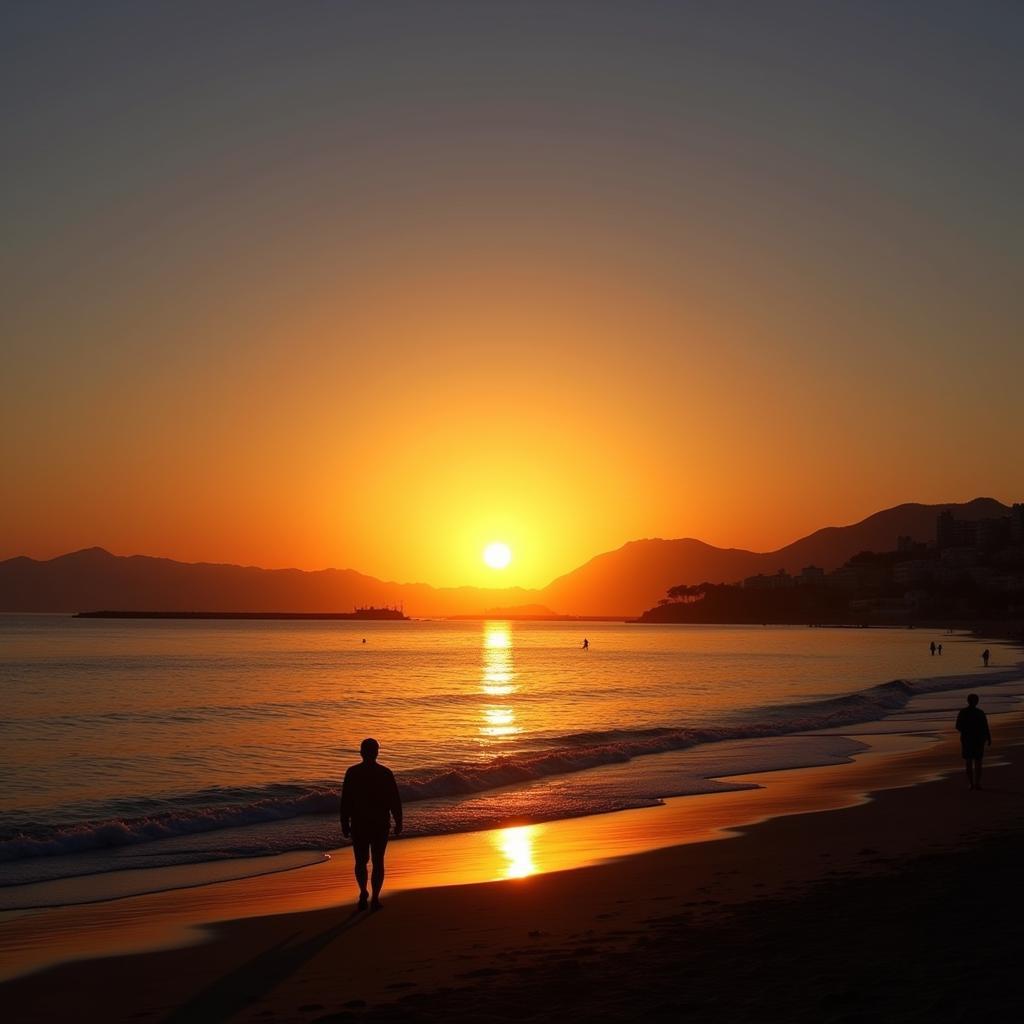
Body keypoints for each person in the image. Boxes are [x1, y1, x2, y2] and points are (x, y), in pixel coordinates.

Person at [340, 738, 403, 910]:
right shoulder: (385, 773)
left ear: (361, 753)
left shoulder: (352, 773)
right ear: (377, 752)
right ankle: (374, 898)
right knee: (377, 861)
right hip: (379, 824)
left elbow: (345, 801)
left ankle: (363, 892)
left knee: (361, 861)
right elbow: (395, 801)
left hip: (360, 824)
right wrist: (399, 821)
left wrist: (344, 823)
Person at [955, 694, 991, 791]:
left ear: (968, 701)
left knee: (969, 761)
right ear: (977, 701)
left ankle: (971, 783)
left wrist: (966, 731)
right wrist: (989, 737)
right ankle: (977, 783)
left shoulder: (963, 712)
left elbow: (958, 726)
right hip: (978, 739)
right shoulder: (980, 712)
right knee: (978, 762)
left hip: (967, 740)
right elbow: (985, 726)